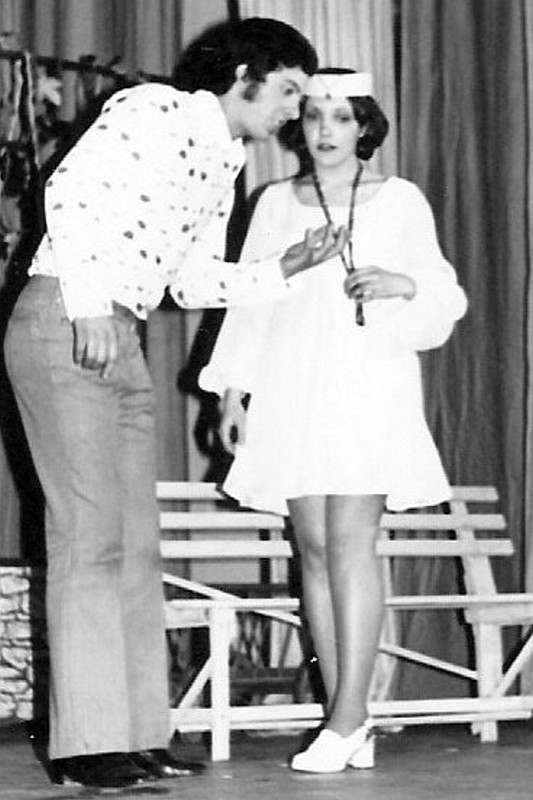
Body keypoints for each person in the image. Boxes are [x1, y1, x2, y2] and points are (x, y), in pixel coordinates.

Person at [3, 20, 348, 790]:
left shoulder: (223, 157)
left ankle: (136, 735)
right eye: (287, 90)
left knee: (135, 546)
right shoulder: (155, 109)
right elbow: (68, 191)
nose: (292, 111)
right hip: (68, 318)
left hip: (118, 333)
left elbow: (190, 281)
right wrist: (88, 305)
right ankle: (85, 745)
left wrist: (285, 266)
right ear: (245, 75)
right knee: (88, 540)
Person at [200, 67, 468, 774]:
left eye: (341, 117)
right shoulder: (272, 201)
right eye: (314, 115)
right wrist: (233, 391)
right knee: (313, 550)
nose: (325, 130)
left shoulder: (400, 199)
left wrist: (399, 283)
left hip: (367, 385)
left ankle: (347, 717)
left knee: (350, 545)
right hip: (291, 386)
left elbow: (444, 295)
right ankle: (347, 718)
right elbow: (248, 299)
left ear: (365, 126)